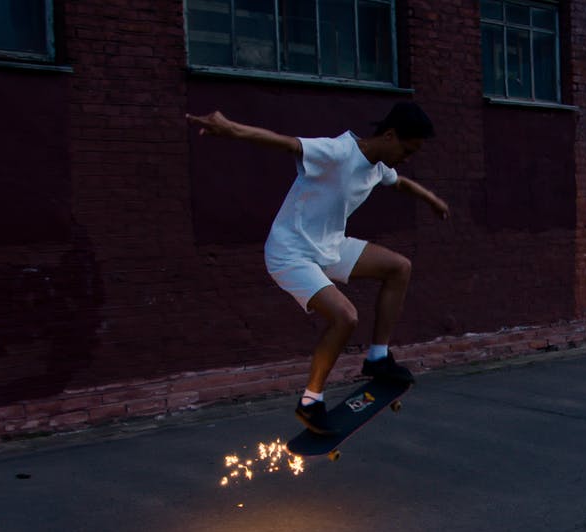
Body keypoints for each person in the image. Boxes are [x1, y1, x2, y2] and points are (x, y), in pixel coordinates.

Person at [186, 102, 449, 434]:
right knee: (345, 317)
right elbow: (285, 142)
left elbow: (400, 183)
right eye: (407, 150)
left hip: (328, 245)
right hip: (290, 252)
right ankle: (310, 402)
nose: (407, 158)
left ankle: (378, 358)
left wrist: (432, 199)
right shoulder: (339, 151)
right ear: (389, 135)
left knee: (399, 267)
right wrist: (230, 128)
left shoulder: (378, 165)